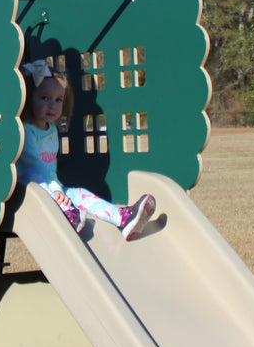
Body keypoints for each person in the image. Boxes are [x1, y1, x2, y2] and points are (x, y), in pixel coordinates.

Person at [17, 59, 156, 240]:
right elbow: (37, 166)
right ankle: (67, 215)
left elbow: (51, 172)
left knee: (79, 193)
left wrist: (59, 191)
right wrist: (56, 193)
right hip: (29, 191)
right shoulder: (26, 131)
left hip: (52, 189)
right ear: (29, 97)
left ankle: (121, 218)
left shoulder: (51, 130)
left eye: (58, 100)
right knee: (32, 174)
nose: (52, 104)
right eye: (45, 98)